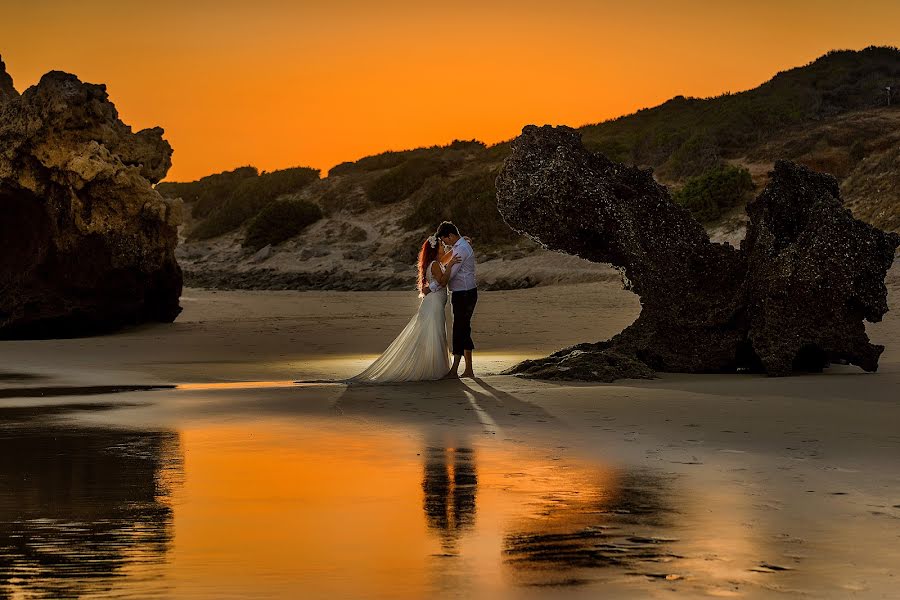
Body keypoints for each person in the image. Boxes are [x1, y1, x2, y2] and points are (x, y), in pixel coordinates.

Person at [348, 235, 461, 383]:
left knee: (433, 334)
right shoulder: (434, 264)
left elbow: (442, 268)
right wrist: (451, 265)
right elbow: (443, 281)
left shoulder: (436, 263)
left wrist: (458, 245)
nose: (444, 246)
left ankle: (434, 367)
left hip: (434, 303)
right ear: (435, 249)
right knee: (434, 334)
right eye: (441, 244)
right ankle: (433, 369)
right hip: (433, 305)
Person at [435, 221, 477, 379]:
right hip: (463, 293)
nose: (444, 243)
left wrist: (436, 281)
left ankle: (455, 370)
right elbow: (443, 262)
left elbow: (449, 275)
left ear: (451, 236)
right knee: (464, 329)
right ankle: (469, 370)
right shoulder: (459, 247)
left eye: (445, 240)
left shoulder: (460, 250)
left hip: (464, 294)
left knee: (460, 329)